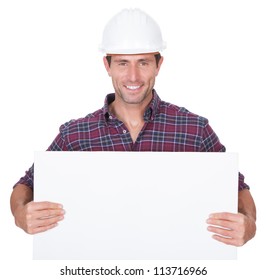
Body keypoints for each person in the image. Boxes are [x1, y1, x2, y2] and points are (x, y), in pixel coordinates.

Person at [10, 8, 256, 246]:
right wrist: (21, 214)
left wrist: (249, 223)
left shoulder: (194, 130)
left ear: (159, 65)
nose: (133, 77)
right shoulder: (76, 135)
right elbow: (28, 184)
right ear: (107, 66)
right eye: (122, 63)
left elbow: (237, 188)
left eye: (144, 63)